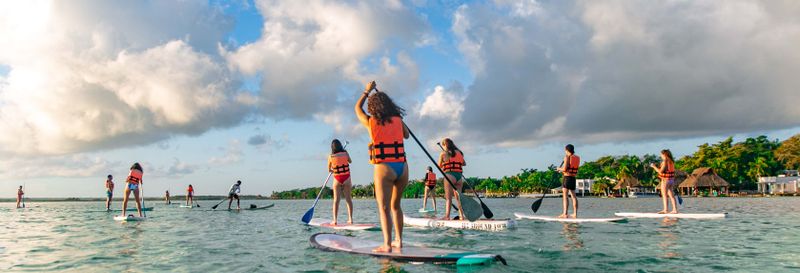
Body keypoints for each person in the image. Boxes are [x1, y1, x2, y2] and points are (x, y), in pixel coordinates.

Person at [355, 80, 409, 253]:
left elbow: (357, 109)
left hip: (384, 168)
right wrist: (397, 118)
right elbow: (406, 135)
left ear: (373, 108)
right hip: (402, 167)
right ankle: (398, 241)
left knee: (384, 208)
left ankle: (386, 244)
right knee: (396, 206)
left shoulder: (371, 122)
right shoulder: (397, 120)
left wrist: (366, 91)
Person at [439, 138, 466, 220]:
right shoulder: (459, 153)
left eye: (443, 146)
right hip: (459, 177)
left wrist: (444, 162)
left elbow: (439, 166)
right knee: (459, 199)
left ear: (445, 145)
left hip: (449, 176)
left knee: (448, 198)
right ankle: (462, 216)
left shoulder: (443, 154)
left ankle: (447, 216)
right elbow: (464, 163)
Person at [328, 139, 354, 225]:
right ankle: (350, 219)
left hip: (337, 179)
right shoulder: (345, 153)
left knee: (336, 200)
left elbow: (329, 169)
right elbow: (350, 161)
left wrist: (333, 169)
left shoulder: (330, 156)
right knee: (348, 199)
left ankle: (335, 220)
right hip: (346, 178)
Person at [651, 149, 678, 214]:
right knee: (671, 195)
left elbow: (660, 171)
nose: (661, 156)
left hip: (665, 180)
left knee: (664, 195)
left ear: (664, 154)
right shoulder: (671, 161)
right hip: (671, 180)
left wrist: (654, 166)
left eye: (661, 155)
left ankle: (665, 210)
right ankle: (675, 210)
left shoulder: (665, 161)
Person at [556, 144, 580, 218]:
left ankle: (565, 214)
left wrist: (558, 169)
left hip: (567, 178)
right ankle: (575, 214)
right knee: (573, 196)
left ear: (566, 150)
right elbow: (570, 168)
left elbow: (565, 169)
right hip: (573, 178)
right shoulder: (577, 157)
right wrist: (562, 171)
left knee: (565, 196)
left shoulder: (567, 157)